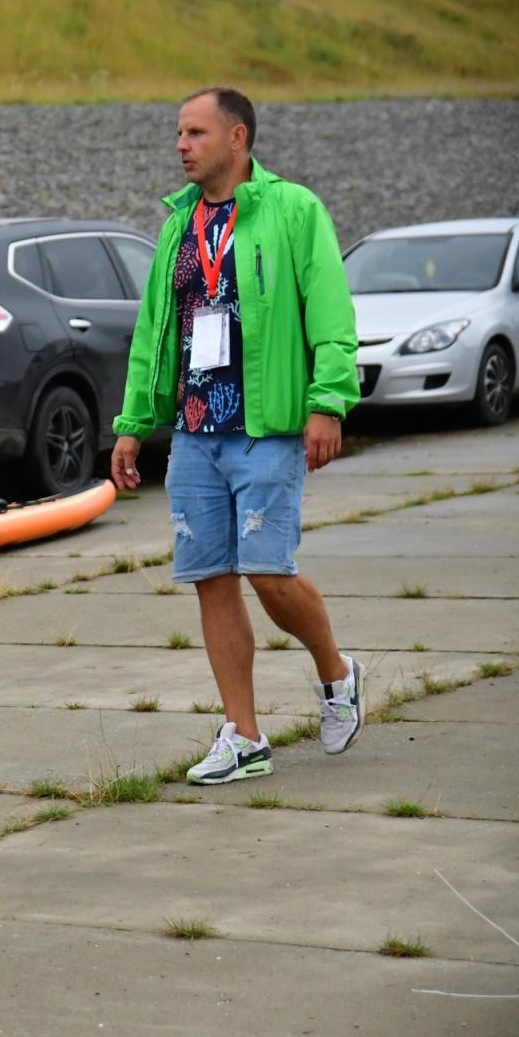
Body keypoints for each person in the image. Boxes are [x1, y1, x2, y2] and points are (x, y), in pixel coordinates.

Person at [111, 87, 366, 785]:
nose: (181, 145)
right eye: (178, 133)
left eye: (194, 132)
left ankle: (337, 674)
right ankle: (244, 735)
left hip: (266, 427)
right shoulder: (177, 225)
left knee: (267, 570)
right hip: (195, 432)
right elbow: (153, 334)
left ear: (237, 138)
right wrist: (135, 424)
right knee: (210, 579)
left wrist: (329, 402)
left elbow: (332, 314)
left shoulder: (293, 210)